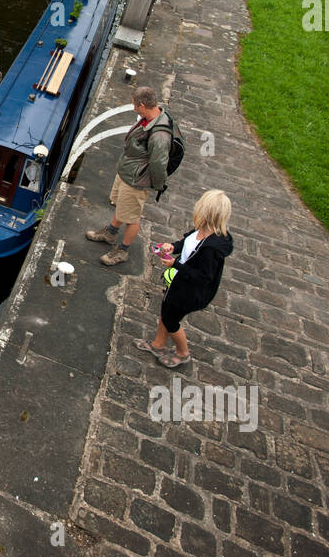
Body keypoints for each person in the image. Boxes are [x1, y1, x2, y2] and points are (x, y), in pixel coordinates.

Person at [137, 189, 234, 368]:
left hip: (189, 292)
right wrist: (172, 247)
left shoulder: (212, 249)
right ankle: (158, 345)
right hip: (178, 284)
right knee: (165, 313)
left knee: (171, 320)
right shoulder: (201, 230)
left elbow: (203, 277)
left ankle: (183, 353)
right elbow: (185, 243)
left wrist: (174, 265)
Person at [87, 87, 174, 266]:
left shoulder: (159, 135)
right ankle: (110, 233)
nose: (133, 107)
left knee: (131, 217)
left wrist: (156, 185)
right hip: (127, 172)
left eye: (135, 104)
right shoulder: (147, 119)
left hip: (136, 181)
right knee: (121, 206)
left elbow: (158, 164)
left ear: (142, 105)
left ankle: (123, 251)